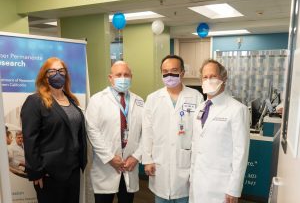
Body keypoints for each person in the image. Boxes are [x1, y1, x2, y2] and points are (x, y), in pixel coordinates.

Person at [20, 57, 87, 203]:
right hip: (49, 174)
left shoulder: (72, 101)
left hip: (73, 170)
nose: (58, 74)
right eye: (52, 71)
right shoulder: (35, 101)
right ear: (44, 76)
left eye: (61, 71)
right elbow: (30, 139)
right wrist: (36, 172)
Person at [142, 55, 204, 203]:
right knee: (161, 197)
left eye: (174, 70)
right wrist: (148, 160)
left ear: (182, 72)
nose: (169, 75)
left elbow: (199, 134)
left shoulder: (196, 97)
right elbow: (147, 132)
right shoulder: (153, 99)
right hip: (159, 163)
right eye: (165, 71)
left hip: (185, 163)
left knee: (184, 196)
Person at [189, 59, 250, 203]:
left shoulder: (237, 109)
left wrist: (234, 188)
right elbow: (196, 145)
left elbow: (240, 152)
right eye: (205, 77)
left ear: (223, 79)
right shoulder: (200, 108)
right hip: (197, 182)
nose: (209, 80)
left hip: (221, 186)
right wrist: (191, 177)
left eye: (213, 76)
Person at [85, 61, 143, 203]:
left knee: (127, 200)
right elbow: (92, 130)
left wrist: (136, 157)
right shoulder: (97, 100)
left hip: (130, 164)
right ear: (110, 78)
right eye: (118, 75)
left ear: (131, 77)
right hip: (106, 166)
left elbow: (146, 134)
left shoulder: (140, 101)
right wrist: (110, 157)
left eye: (126, 75)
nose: (123, 78)